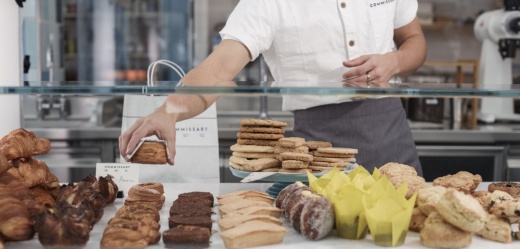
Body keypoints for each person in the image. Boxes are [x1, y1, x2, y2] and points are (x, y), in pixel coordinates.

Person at [119, 0, 427, 176]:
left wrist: (395, 62)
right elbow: (218, 69)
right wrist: (167, 112)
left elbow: (415, 41)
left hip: (392, 134)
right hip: (317, 149)